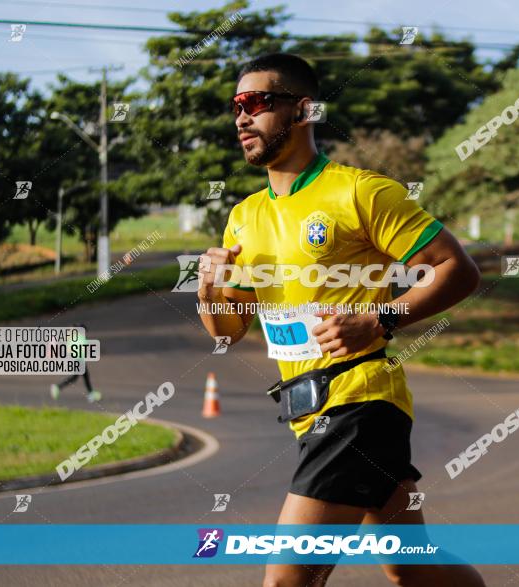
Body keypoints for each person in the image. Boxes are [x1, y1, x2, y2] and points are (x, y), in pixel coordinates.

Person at [197, 53, 484, 586]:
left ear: (303, 110)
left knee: (287, 579)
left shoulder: (360, 192)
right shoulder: (244, 216)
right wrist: (208, 288)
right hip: (306, 409)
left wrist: (380, 319)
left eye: (258, 103)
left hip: (360, 403)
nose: (242, 117)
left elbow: (456, 270)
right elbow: (228, 330)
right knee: (410, 568)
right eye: (237, 105)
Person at [49, 323, 101, 403]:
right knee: (81, 377)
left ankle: (58, 387)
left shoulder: (73, 337)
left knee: (79, 377)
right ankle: (58, 387)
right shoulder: (79, 338)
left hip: (77, 360)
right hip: (78, 360)